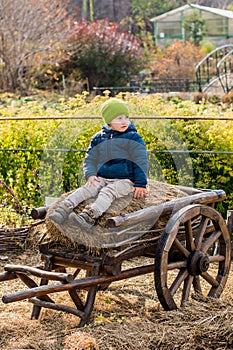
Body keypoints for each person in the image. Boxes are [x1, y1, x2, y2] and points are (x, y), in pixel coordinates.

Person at [49, 97, 148, 231]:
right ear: (108, 121)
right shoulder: (98, 138)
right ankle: (64, 208)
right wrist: (90, 174)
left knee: (108, 192)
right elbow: (90, 158)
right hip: (103, 177)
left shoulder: (133, 137)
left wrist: (140, 184)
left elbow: (140, 160)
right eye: (119, 118)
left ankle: (90, 215)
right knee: (88, 188)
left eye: (126, 117)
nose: (124, 121)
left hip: (125, 180)